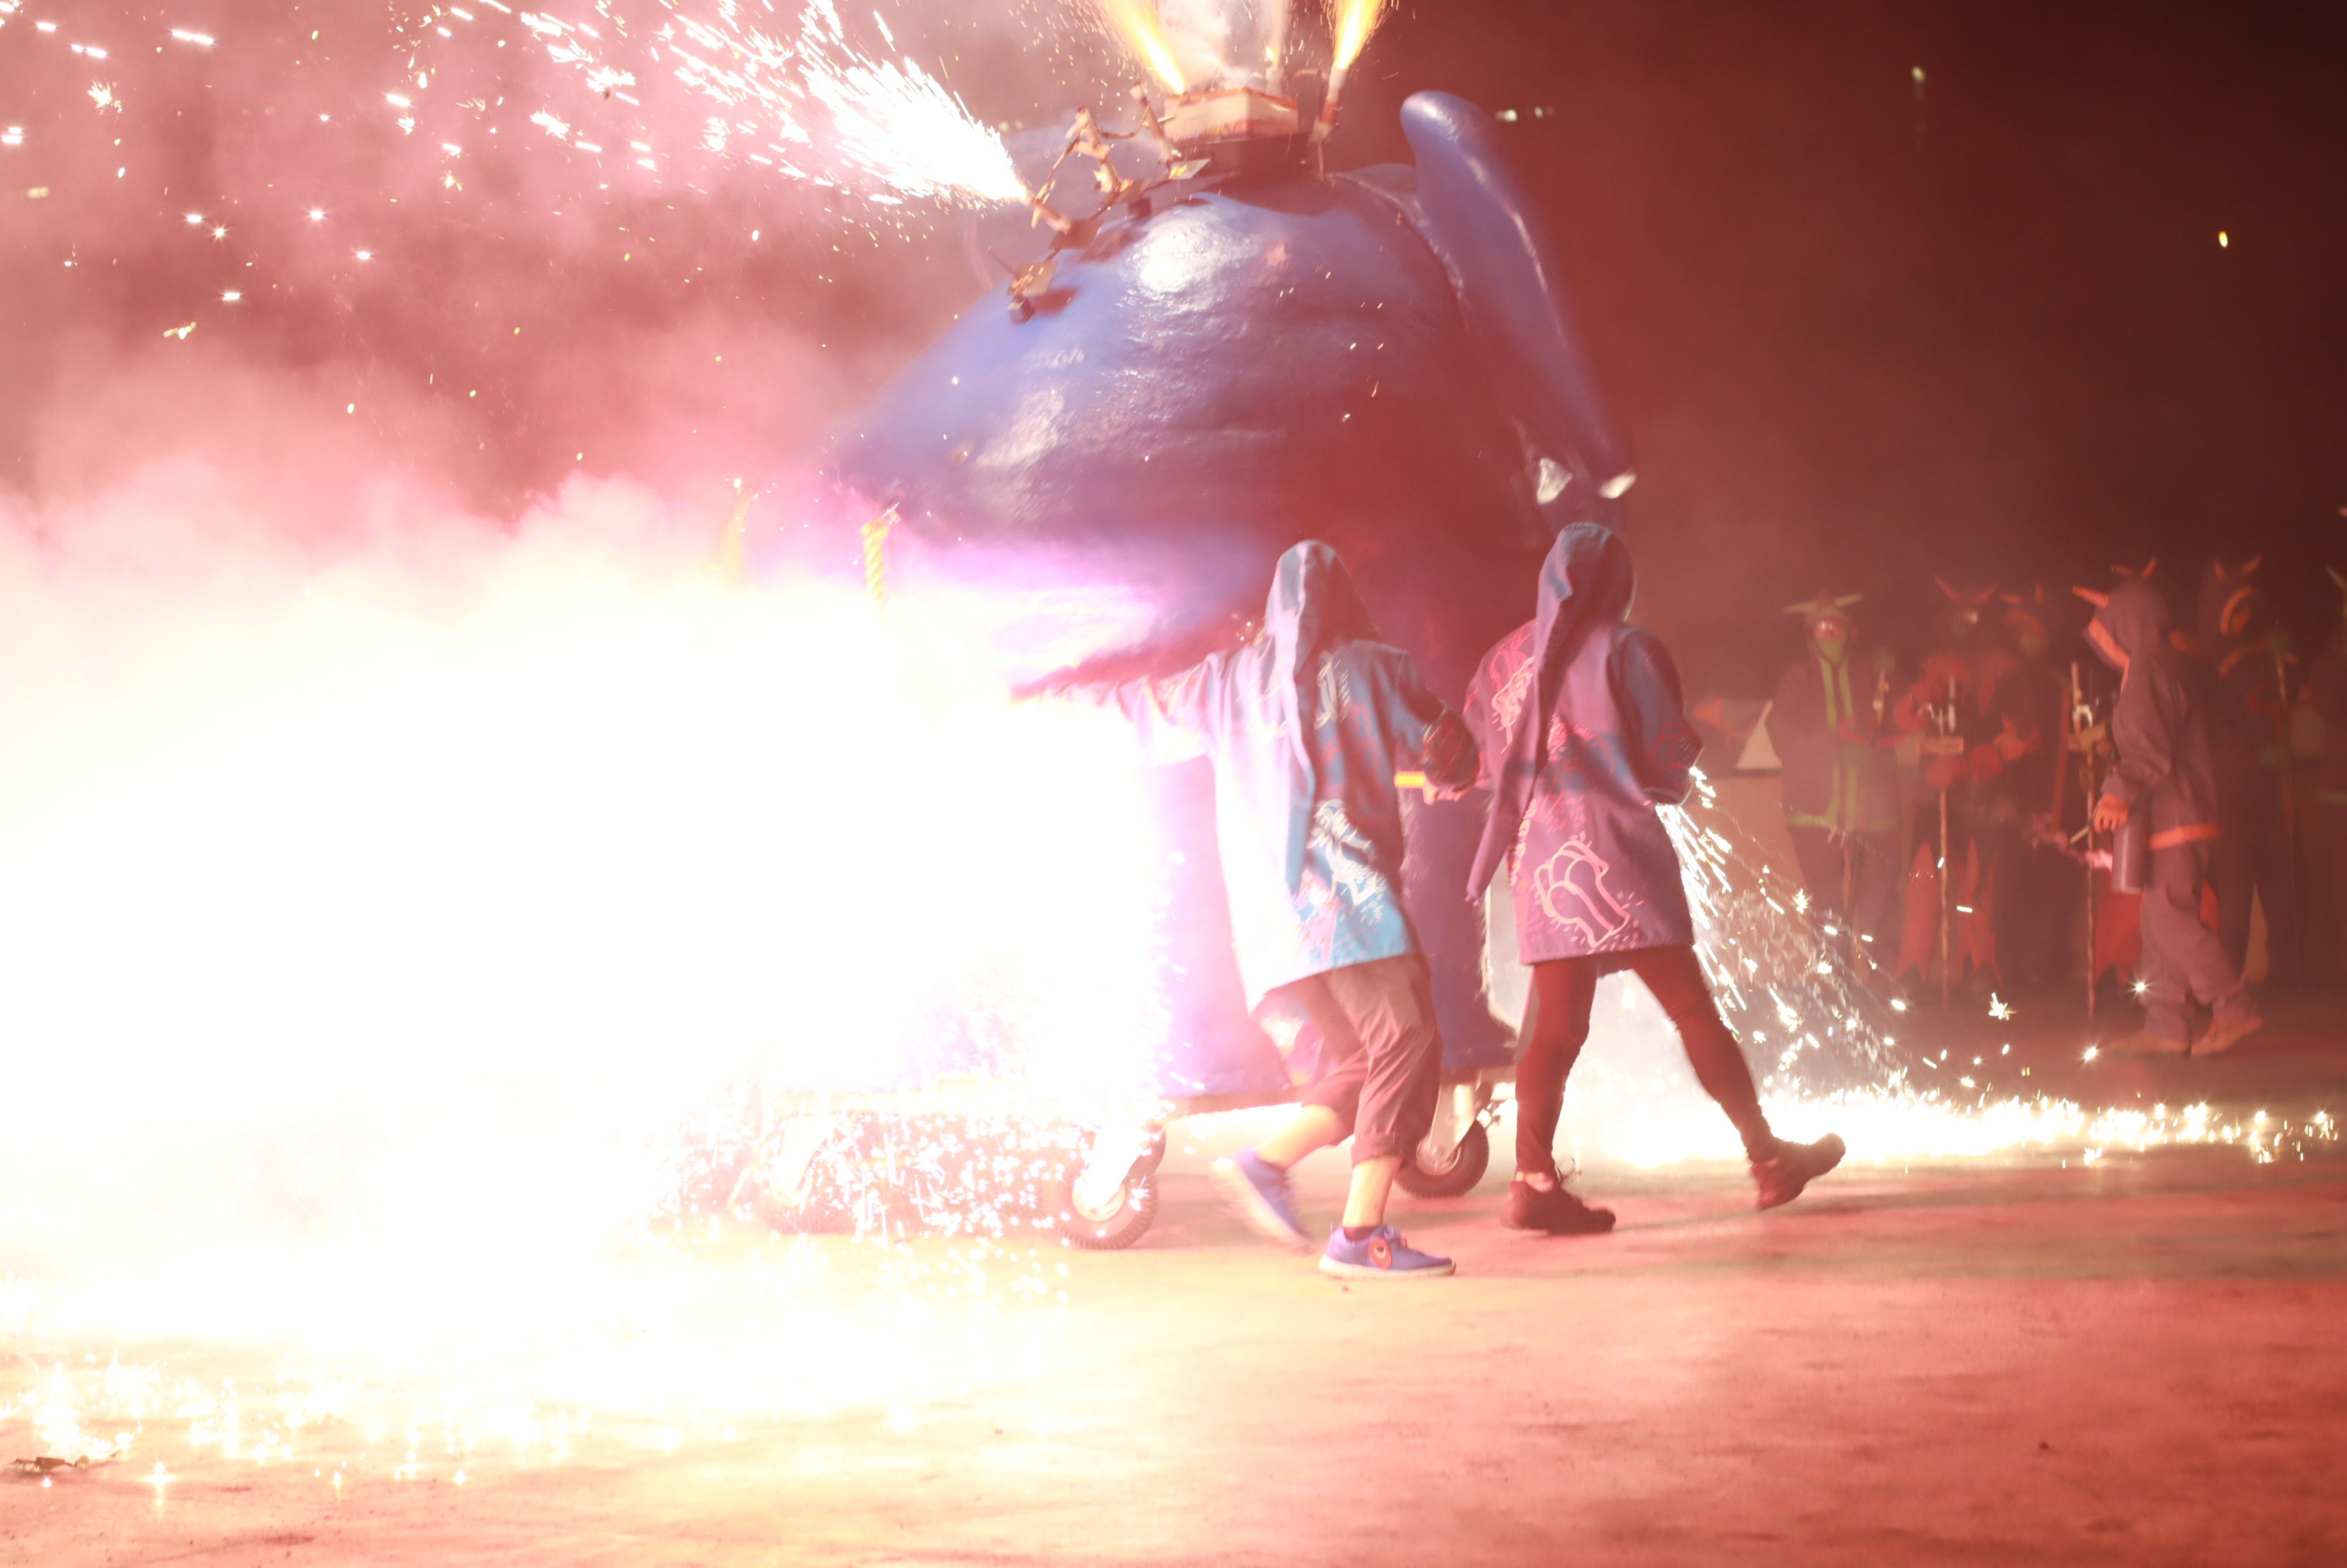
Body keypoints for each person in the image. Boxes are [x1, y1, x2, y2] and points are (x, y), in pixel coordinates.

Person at [1084, 541, 1478, 1279]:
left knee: (1367, 1066)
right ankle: (1354, 1230)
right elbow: (1447, 753)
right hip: (1349, 907)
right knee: (1410, 1039)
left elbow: (1131, 713)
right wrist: (1459, 759)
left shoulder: (1225, 683)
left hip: (1270, 930)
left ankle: (1271, 1170)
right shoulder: (1371, 667)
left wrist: (1020, 709)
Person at [1463, 523, 1845, 1233]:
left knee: (1554, 1027)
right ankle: (1767, 1160)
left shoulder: (1500, 662)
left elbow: (1479, 766)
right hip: (1617, 855)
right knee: (1691, 1008)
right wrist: (1672, 769)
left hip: (1541, 866)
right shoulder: (1626, 647)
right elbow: (1668, 764)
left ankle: (1532, 1179)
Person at [2081, 579, 2262, 1055]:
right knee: (2157, 920)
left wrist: (2118, 791)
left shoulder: (2149, 669)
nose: (2106, 642)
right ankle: (2166, 1024)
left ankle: (2234, 1007)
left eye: (2109, 630)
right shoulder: (2168, 664)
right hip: (2179, 811)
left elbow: (2149, 747)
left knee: (2169, 918)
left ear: (2126, 626)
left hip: (2174, 814)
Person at [1894, 580, 2044, 996]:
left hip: (1986, 800)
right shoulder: (1936, 667)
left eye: (1973, 617)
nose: (1964, 624)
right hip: (1937, 797)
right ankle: (1911, 971)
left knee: (1978, 888)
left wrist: (1969, 764)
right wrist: (1917, 697)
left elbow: (2024, 738)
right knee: (1925, 880)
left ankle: (1982, 970)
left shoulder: (2008, 672)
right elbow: (1906, 722)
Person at [1766, 591, 1904, 969]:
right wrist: (1831, 747)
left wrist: (1895, 681)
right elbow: (1779, 732)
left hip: (1873, 807)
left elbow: (1898, 721)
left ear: (1851, 631)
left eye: (1837, 626)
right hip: (1815, 811)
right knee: (1826, 900)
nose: (1830, 633)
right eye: (1822, 627)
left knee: (1878, 896)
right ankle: (1835, 984)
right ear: (1810, 634)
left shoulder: (1872, 674)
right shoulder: (1798, 678)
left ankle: (1885, 978)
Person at [2194, 558, 2302, 983]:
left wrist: (2285, 675)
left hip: (2266, 789)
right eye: (2234, 610)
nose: (2243, 619)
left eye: (2245, 610)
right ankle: (2226, 985)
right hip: (2228, 796)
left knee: (2280, 884)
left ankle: (2290, 974)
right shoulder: (2205, 662)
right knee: (2234, 895)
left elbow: (2279, 706)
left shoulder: (2259, 657)